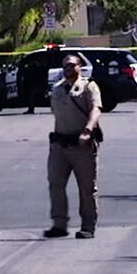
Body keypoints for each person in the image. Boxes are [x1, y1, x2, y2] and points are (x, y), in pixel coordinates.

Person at [43, 53, 101, 239]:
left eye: (72, 65)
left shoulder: (88, 86)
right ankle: (59, 224)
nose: (68, 69)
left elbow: (95, 109)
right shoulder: (58, 88)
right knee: (55, 184)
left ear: (79, 67)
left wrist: (88, 130)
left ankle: (88, 226)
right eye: (65, 66)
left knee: (86, 188)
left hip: (81, 145)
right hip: (60, 145)